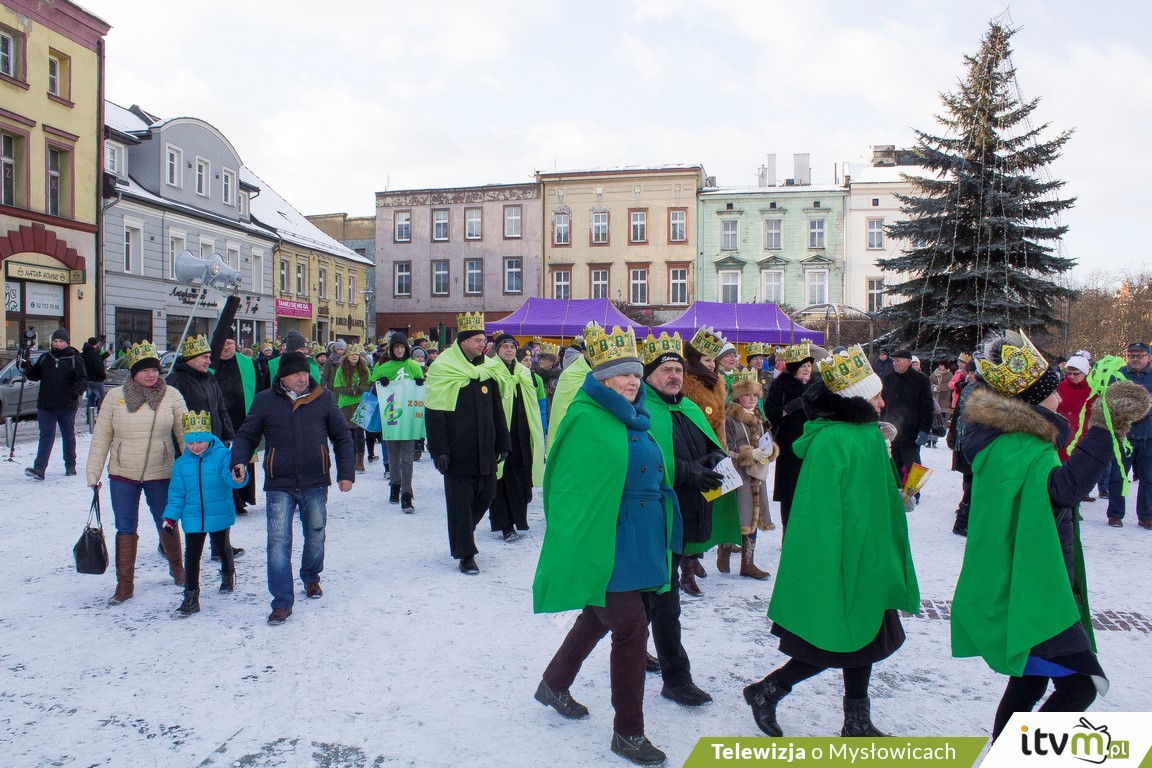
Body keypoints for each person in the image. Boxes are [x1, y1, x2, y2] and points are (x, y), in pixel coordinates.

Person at [953, 331, 1149, 739]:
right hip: (1032, 587)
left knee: (1028, 681)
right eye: (1052, 391)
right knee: (1078, 687)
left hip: (1021, 580)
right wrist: (1103, 429)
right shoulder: (1021, 446)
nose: (1060, 397)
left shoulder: (1006, 441)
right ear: (1033, 400)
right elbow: (1064, 490)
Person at [744, 345, 920, 738]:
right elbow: (820, 514)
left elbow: (871, 493)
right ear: (856, 399)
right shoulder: (833, 441)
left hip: (869, 556)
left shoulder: (866, 436)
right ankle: (768, 690)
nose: (882, 403)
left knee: (866, 638)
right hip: (843, 560)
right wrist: (832, 565)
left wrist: (898, 495)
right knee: (831, 642)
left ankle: (856, 721)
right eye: (875, 396)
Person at [533, 325, 672, 767]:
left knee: (597, 615)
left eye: (636, 374)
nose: (632, 381)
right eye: (622, 374)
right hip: (603, 540)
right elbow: (569, 490)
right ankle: (628, 732)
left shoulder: (636, 416)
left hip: (638, 538)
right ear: (602, 377)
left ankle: (554, 683)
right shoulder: (587, 417)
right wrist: (578, 539)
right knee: (630, 627)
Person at [230, 351, 355, 625]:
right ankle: (281, 601)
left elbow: (342, 436)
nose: (302, 378)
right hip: (280, 482)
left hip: (315, 480)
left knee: (316, 533)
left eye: (305, 373)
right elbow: (248, 434)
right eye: (296, 374)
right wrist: (238, 460)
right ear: (283, 377)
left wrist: (346, 472)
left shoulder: (323, 397)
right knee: (277, 541)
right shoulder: (265, 400)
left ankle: (310, 575)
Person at [639, 331, 722, 707]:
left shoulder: (687, 407)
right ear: (649, 375)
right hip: (654, 517)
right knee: (664, 598)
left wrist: (715, 459)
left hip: (685, 513)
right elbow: (642, 464)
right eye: (665, 370)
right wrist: (687, 471)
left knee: (649, 597)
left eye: (677, 369)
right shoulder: (642, 411)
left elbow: (707, 446)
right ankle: (676, 677)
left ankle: (633, 644)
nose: (674, 376)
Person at [86, 341, 188, 602]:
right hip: (123, 473)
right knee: (125, 526)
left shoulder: (172, 395)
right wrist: (93, 473)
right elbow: (101, 437)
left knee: (166, 521)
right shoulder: (114, 397)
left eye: (154, 369)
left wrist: (192, 467)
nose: (151, 375)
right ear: (133, 372)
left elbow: (185, 435)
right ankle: (125, 583)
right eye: (144, 370)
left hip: (160, 471)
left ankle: (178, 568)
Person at [424, 313, 509, 574]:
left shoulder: (488, 369)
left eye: (484, 340)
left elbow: (497, 409)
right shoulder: (443, 368)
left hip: (485, 448)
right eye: (478, 340)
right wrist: (438, 449)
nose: (483, 345)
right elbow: (434, 412)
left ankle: (462, 531)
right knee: (460, 503)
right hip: (456, 450)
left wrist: (503, 442)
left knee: (487, 493)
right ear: (463, 342)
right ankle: (466, 555)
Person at [167, 332, 242, 561]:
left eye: (209, 357)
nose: (209, 361)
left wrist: (228, 434)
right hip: (190, 450)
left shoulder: (209, 378)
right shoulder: (176, 380)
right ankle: (170, 544)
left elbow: (220, 408)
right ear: (191, 358)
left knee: (217, 497)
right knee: (192, 499)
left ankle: (221, 547)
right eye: (205, 357)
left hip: (213, 446)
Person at [162, 411, 245, 616]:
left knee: (222, 546)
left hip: (218, 514)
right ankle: (191, 596)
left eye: (200, 442)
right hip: (193, 517)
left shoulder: (223, 456)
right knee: (192, 556)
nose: (196, 446)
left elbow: (233, 479)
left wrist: (237, 476)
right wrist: (170, 517)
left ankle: (228, 573)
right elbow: (176, 493)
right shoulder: (182, 464)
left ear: (209, 438)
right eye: (191, 443)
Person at [676, 326, 731, 592]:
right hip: (691, 451)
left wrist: (721, 449)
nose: (711, 365)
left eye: (713, 360)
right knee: (690, 510)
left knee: (706, 509)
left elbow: (720, 421)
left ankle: (695, 557)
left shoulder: (716, 383)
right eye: (706, 360)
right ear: (695, 359)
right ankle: (686, 569)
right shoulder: (686, 384)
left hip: (712, 449)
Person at [485, 334, 546, 541]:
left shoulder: (524, 372)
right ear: (497, 349)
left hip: (522, 432)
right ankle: (504, 524)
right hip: (500, 431)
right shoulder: (490, 370)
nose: (509, 350)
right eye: (505, 347)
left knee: (520, 479)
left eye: (512, 347)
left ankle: (518, 520)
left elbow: (533, 403)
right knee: (501, 480)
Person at [725, 367, 779, 575]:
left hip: (757, 475)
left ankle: (747, 564)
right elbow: (726, 448)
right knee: (739, 517)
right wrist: (748, 454)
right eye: (747, 394)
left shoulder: (759, 418)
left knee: (754, 519)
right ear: (737, 396)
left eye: (755, 394)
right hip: (739, 476)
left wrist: (770, 451)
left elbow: (767, 440)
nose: (752, 398)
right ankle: (724, 549)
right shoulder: (729, 419)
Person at [763, 342, 814, 531]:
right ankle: (788, 531)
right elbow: (770, 412)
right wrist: (788, 409)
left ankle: (808, 532)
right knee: (790, 493)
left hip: (812, 446)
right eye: (803, 366)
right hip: (789, 445)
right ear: (793, 367)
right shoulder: (781, 385)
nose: (807, 369)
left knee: (810, 490)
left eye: (809, 366)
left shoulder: (817, 385)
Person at [23, 328, 87, 480]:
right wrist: (27, 368)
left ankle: (70, 465)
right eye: (55, 341)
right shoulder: (46, 358)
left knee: (68, 435)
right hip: (46, 404)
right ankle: (39, 468)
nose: (57, 344)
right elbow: (34, 376)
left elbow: (83, 379)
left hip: (67, 404)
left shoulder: (75, 359)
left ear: (67, 343)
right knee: (46, 436)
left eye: (61, 341)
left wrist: (76, 391)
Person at [371, 333, 425, 508]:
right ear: (391, 349)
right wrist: (380, 383)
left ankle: (407, 493)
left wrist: (420, 383)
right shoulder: (383, 367)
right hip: (391, 417)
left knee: (407, 458)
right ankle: (395, 486)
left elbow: (421, 391)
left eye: (402, 347)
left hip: (408, 418)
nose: (400, 350)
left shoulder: (414, 366)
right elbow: (375, 390)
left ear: (406, 348)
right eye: (396, 347)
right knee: (393, 456)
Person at [1104, 342, 1152, 529]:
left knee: (1148, 479)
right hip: (1124, 436)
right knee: (1118, 476)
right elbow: (1110, 400)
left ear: (1148, 357)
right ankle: (1115, 514)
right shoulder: (1118, 375)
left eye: (1139, 356)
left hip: (1149, 436)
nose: (1135, 359)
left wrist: (1140, 408)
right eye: (1131, 355)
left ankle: (1146, 516)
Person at [880, 349, 934, 487]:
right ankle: (896, 492)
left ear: (908, 362)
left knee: (913, 468)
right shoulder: (888, 378)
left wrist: (924, 429)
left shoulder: (921, 380)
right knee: (893, 467)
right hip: (892, 431)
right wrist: (882, 423)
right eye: (894, 360)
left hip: (911, 433)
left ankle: (914, 493)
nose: (895, 363)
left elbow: (927, 407)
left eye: (898, 360)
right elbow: (883, 405)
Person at [946, 359, 980, 536]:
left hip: (971, 439)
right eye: (969, 373)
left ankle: (965, 513)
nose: (970, 376)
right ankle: (963, 517)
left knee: (972, 476)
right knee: (969, 476)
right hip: (965, 438)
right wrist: (952, 434)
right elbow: (957, 413)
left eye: (973, 373)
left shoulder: (979, 390)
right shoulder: (968, 389)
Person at [332, 344, 373, 473]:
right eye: (351, 354)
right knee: (349, 433)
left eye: (356, 354)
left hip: (361, 403)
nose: (354, 356)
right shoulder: (341, 370)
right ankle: (350, 459)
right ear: (347, 356)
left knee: (359, 433)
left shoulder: (364, 369)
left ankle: (360, 461)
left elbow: (370, 385)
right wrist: (350, 390)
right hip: (346, 405)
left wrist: (360, 389)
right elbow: (337, 387)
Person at [82, 335, 110, 414]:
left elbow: (98, 359)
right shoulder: (94, 353)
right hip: (96, 380)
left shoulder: (86, 352)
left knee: (91, 398)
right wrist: (103, 375)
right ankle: (100, 415)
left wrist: (107, 353)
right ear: (96, 343)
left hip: (88, 379)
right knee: (102, 398)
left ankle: (89, 416)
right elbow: (98, 365)